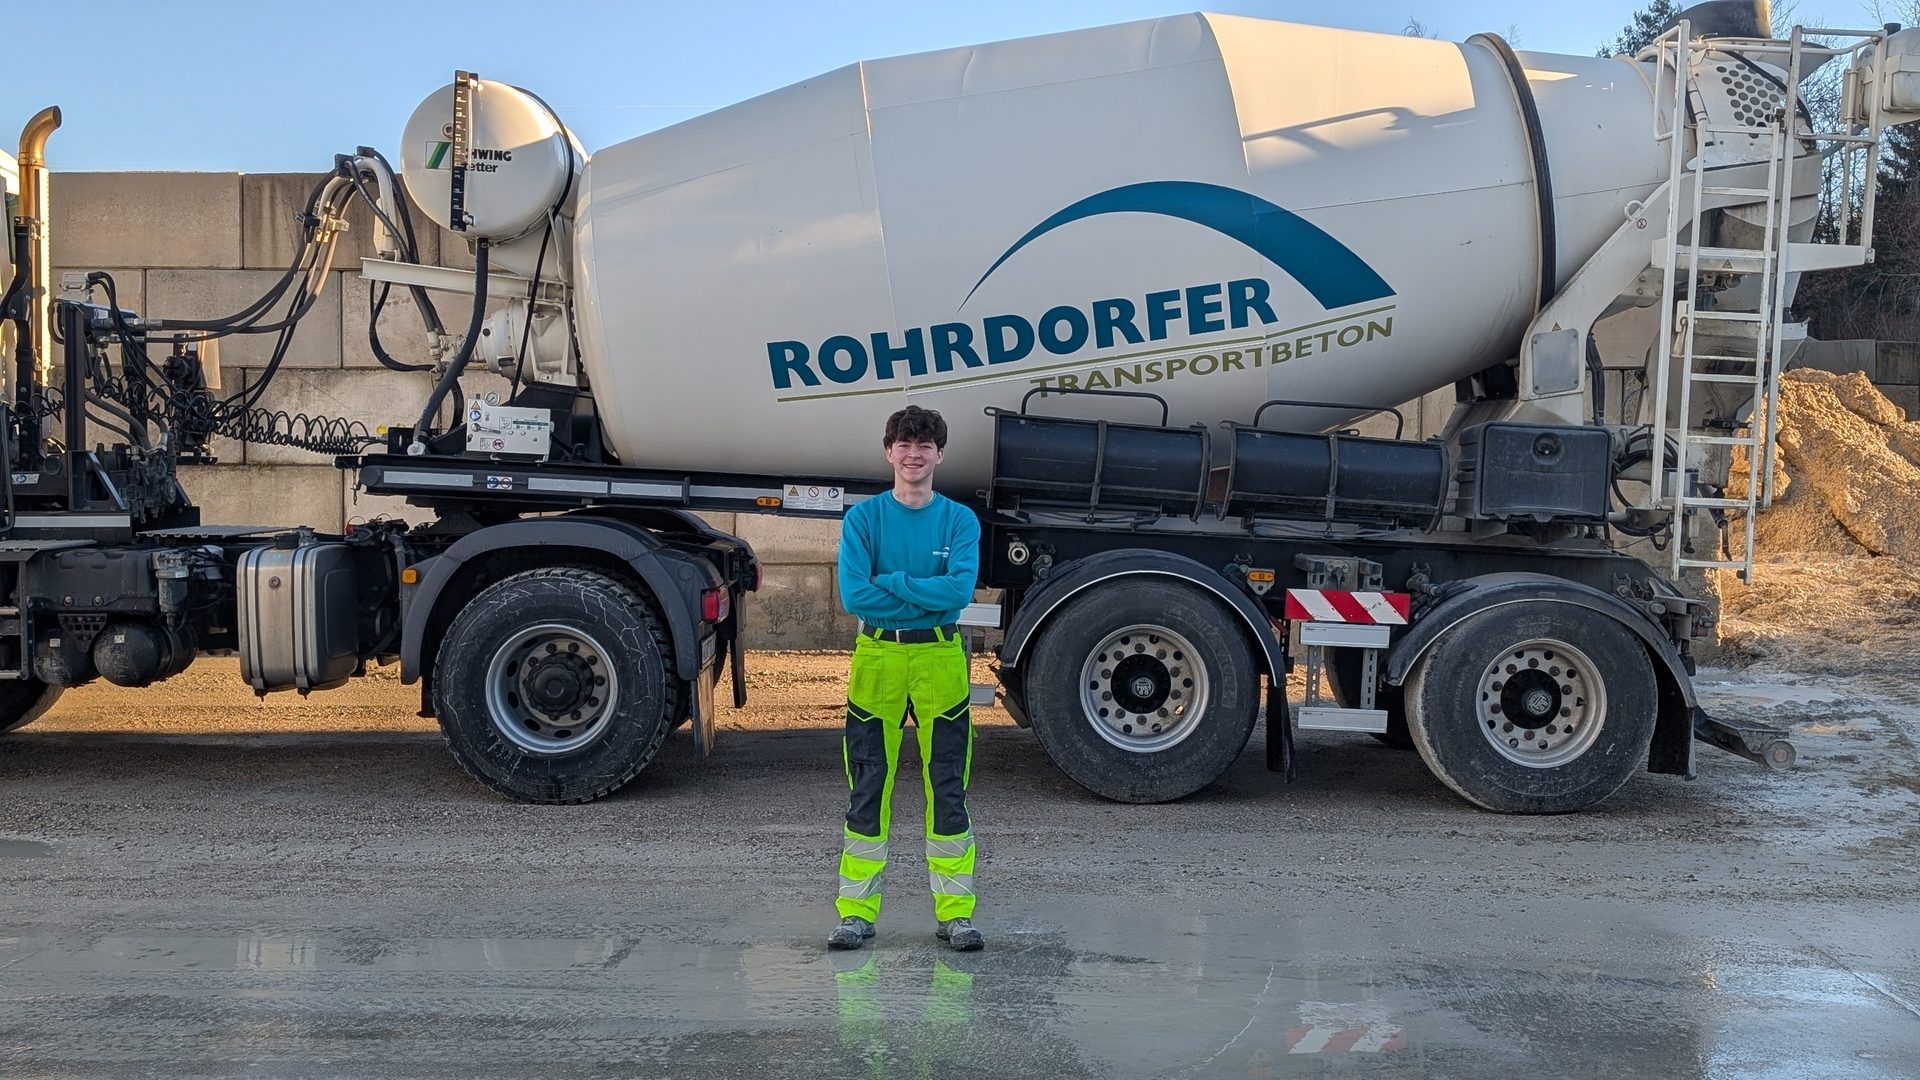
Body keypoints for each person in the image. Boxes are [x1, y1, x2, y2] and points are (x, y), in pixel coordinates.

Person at [828, 405, 984, 952]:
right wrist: (923, 591)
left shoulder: (960, 521)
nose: (913, 454)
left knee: (948, 786)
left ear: (939, 454)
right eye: (903, 444)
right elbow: (855, 596)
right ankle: (855, 913)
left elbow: (958, 594)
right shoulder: (864, 519)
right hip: (879, 659)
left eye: (924, 445)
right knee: (868, 786)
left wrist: (892, 581)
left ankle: (956, 914)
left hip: (941, 660)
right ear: (889, 451)